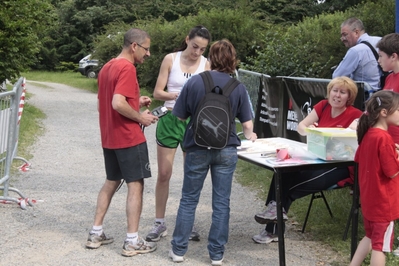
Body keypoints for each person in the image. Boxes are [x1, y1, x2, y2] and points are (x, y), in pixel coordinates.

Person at [169, 39, 257, 265]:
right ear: (233, 61)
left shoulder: (195, 82)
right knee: (221, 202)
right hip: (226, 150)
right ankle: (216, 254)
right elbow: (247, 127)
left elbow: (178, 116)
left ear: (211, 59)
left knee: (189, 199)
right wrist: (252, 136)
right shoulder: (238, 87)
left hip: (197, 147)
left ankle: (178, 251)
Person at [253, 76, 362, 244]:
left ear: (350, 97)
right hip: (317, 159)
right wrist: (310, 130)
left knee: (285, 189)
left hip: (341, 167)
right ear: (329, 92)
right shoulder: (323, 105)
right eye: (335, 91)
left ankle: (273, 227)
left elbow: (356, 141)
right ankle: (274, 219)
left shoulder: (356, 115)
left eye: (342, 92)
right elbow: (301, 127)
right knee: (281, 172)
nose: (337, 95)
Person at [85, 28, 159, 257]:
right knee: (135, 185)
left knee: (111, 182)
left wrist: (135, 101)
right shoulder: (127, 67)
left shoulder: (107, 66)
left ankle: (95, 232)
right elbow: (118, 103)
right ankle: (132, 241)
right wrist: (141, 118)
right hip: (128, 137)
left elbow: (104, 105)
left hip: (110, 137)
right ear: (134, 46)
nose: (148, 54)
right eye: (146, 49)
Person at [146, 25, 211, 242]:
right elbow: (157, 92)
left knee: (191, 175)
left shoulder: (206, 64)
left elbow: (209, 96)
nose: (197, 53)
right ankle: (159, 223)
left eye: (202, 49)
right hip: (170, 119)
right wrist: (175, 96)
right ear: (187, 40)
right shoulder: (170, 59)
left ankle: (187, 222)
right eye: (195, 47)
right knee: (164, 173)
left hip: (193, 122)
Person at [350, 90, 399, 266]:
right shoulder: (384, 138)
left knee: (370, 237)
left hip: (370, 202)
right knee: (380, 247)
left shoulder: (368, 134)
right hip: (384, 204)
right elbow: (392, 172)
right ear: (384, 113)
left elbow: (359, 158)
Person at [333, 17, 381, 91]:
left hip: (365, 97)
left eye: (345, 35)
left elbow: (337, 77)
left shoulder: (355, 51)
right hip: (387, 94)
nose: (342, 39)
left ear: (356, 32)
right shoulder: (381, 40)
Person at [377, 33, 399, 144]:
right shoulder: (389, 78)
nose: (378, 60)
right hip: (389, 139)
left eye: (380, 56)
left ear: (393, 56)